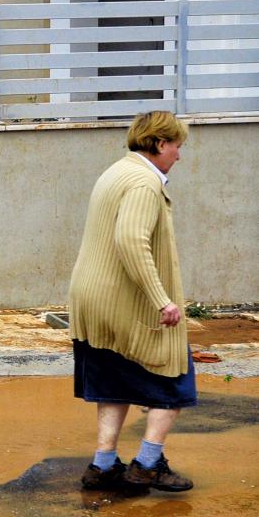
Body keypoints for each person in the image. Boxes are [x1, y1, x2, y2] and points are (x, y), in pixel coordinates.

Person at [69, 111, 195, 493]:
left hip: (93, 300)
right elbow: (130, 241)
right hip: (125, 301)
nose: (179, 155)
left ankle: (104, 465)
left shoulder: (116, 171)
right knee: (175, 381)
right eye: (177, 146)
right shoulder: (144, 183)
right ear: (159, 143)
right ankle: (147, 463)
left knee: (113, 381)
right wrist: (162, 301)